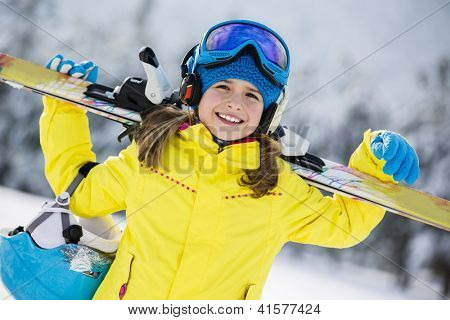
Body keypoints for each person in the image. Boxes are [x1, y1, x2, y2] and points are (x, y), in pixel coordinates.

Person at [39, 20, 420, 300]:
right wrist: (63, 110)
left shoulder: (274, 187)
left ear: (270, 113)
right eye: (222, 86)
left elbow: (345, 226)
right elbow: (81, 191)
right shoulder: (152, 154)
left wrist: (371, 167)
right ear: (194, 91)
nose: (235, 102)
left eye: (253, 95)